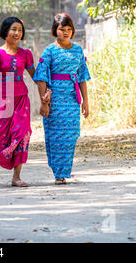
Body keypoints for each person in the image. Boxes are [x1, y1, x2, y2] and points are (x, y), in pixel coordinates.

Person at [0, 17, 51, 187]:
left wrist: (47, 90)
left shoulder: (26, 54)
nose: (17, 33)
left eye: (20, 30)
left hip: (22, 98)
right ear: (5, 31)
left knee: (22, 135)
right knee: (2, 137)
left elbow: (36, 76)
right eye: (14, 29)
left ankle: (16, 177)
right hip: (3, 98)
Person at [33, 13, 91, 185]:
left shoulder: (78, 50)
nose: (65, 32)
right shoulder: (50, 50)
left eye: (68, 29)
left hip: (73, 99)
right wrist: (44, 103)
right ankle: (59, 173)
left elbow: (82, 77)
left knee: (71, 135)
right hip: (55, 100)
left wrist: (86, 101)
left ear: (72, 31)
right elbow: (41, 77)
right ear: (55, 31)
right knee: (57, 136)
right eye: (61, 29)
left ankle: (66, 169)